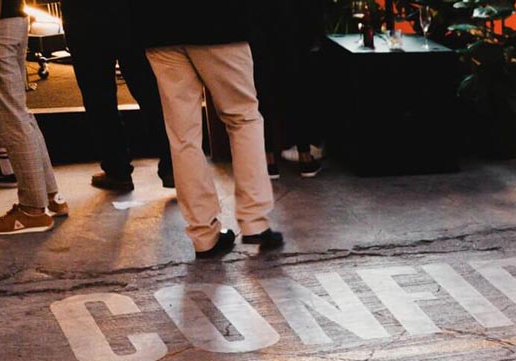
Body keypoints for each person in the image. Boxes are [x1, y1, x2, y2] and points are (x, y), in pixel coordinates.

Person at [132, 0, 283, 258]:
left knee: (183, 136)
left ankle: (203, 235)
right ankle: (254, 221)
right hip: (220, 21)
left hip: (158, 25)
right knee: (243, 119)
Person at [0, 0, 68, 236]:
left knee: (10, 120)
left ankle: (33, 210)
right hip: (8, 22)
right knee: (19, 115)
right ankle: (50, 196)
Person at [64, 0, 174, 192]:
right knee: (149, 92)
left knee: (98, 96)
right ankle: (172, 165)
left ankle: (117, 170)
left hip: (85, 18)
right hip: (131, 14)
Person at [250, 0, 327, 180]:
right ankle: (305, 157)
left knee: (263, 96)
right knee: (298, 95)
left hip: (261, 36)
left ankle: (269, 161)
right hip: (294, 34)